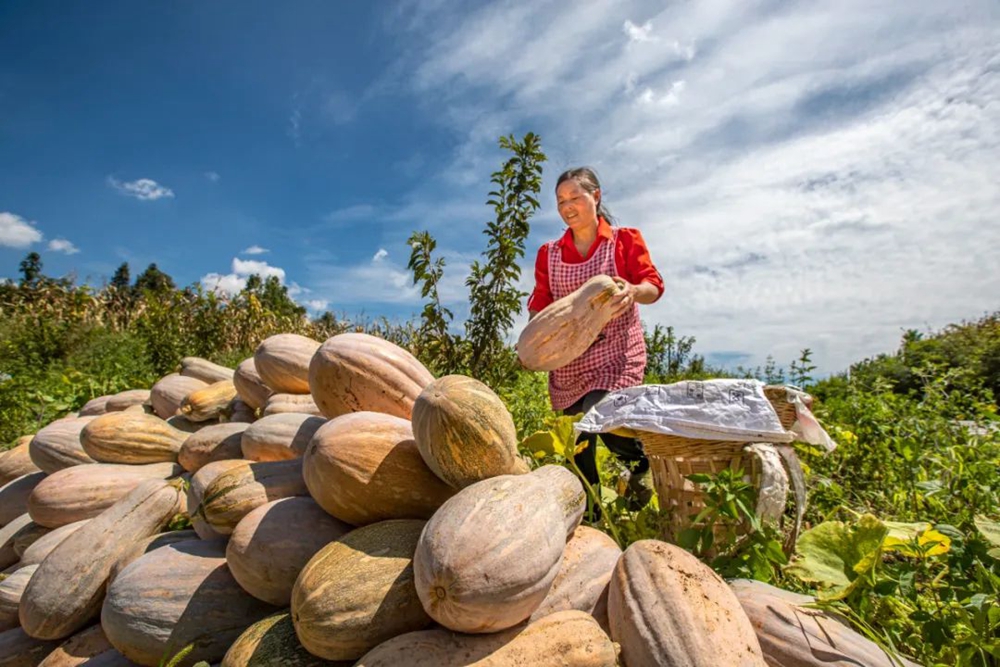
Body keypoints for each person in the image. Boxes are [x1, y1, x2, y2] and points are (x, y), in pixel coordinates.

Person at [527, 166, 664, 506]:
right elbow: (540, 302)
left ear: (596, 196)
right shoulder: (550, 253)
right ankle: (590, 513)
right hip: (570, 358)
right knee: (578, 441)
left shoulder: (625, 239)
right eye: (560, 201)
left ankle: (641, 464)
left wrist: (633, 290)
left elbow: (653, 285)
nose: (567, 206)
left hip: (616, 352)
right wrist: (536, 338)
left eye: (575, 197)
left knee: (602, 414)